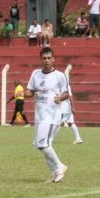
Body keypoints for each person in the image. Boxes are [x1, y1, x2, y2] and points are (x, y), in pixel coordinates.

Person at [23, 47, 69, 183]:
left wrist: (60, 98)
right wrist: (22, 94)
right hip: (40, 116)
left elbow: (67, 93)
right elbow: (30, 92)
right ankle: (55, 173)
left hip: (52, 116)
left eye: (49, 58)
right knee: (40, 145)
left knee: (43, 144)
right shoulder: (35, 74)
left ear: (54, 59)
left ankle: (60, 166)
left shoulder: (59, 76)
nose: (47, 61)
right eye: (44, 58)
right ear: (40, 59)